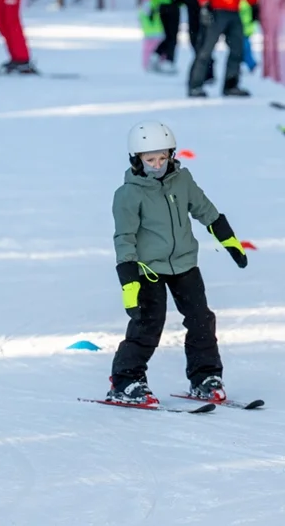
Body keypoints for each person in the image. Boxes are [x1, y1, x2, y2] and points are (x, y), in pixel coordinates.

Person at [108, 121, 249, 405]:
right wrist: (129, 282)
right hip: (148, 270)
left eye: (163, 157)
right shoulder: (128, 194)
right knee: (147, 324)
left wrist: (229, 241)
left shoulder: (182, 181)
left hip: (184, 263)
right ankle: (126, 380)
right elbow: (124, 237)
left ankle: (205, 377)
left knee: (201, 319)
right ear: (136, 160)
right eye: (150, 160)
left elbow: (205, 210)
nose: (158, 165)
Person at [188, 0, 258, 97]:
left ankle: (231, 84)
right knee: (206, 49)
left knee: (237, 49)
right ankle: (195, 84)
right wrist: (205, 2)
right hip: (215, 9)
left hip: (234, 9)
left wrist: (253, 2)